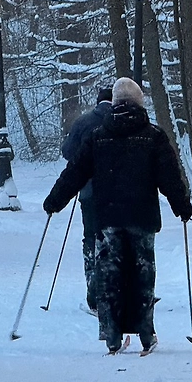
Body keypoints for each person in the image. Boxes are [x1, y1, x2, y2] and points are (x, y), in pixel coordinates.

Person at [43, 76, 192, 355]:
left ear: (113, 103)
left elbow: (74, 172)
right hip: (142, 217)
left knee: (109, 275)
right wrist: (182, 207)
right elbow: (169, 177)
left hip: (107, 217)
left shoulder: (97, 137)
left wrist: (55, 201)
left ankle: (112, 335)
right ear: (139, 102)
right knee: (142, 274)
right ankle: (146, 334)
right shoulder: (153, 136)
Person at [61, 85, 114, 314]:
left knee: (91, 238)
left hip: (90, 190)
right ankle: (122, 291)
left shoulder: (84, 122)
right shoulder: (125, 121)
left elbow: (67, 151)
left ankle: (93, 294)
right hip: (119, 193)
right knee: (118, 238)